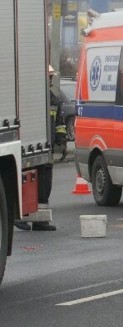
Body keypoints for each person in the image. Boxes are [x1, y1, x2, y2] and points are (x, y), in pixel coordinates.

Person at [15, 65, 63, 232]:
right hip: (30, 146)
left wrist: (62, 141)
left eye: (51, 77)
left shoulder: (53, 99)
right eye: (48, 77)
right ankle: (20, 216)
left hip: (47, 147)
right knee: (26, 183)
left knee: (44, 185)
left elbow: (59, 122)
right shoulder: (31, 97)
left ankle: (40, 220)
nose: (50, 80)